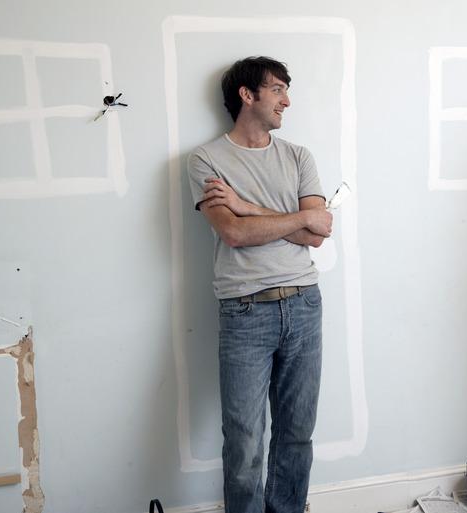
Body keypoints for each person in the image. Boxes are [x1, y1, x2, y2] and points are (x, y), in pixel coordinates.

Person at [186, 56, 333, 513]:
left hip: (305, 305)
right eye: (277, 90)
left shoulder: (298, 156)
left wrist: (247, 206)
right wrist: (294, 219)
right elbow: (233, 234)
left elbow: (319, 232)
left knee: (296, 433)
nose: (286, 101)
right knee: (245, 440)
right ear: (247, 95)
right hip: (245, 311)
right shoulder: (206, 160)